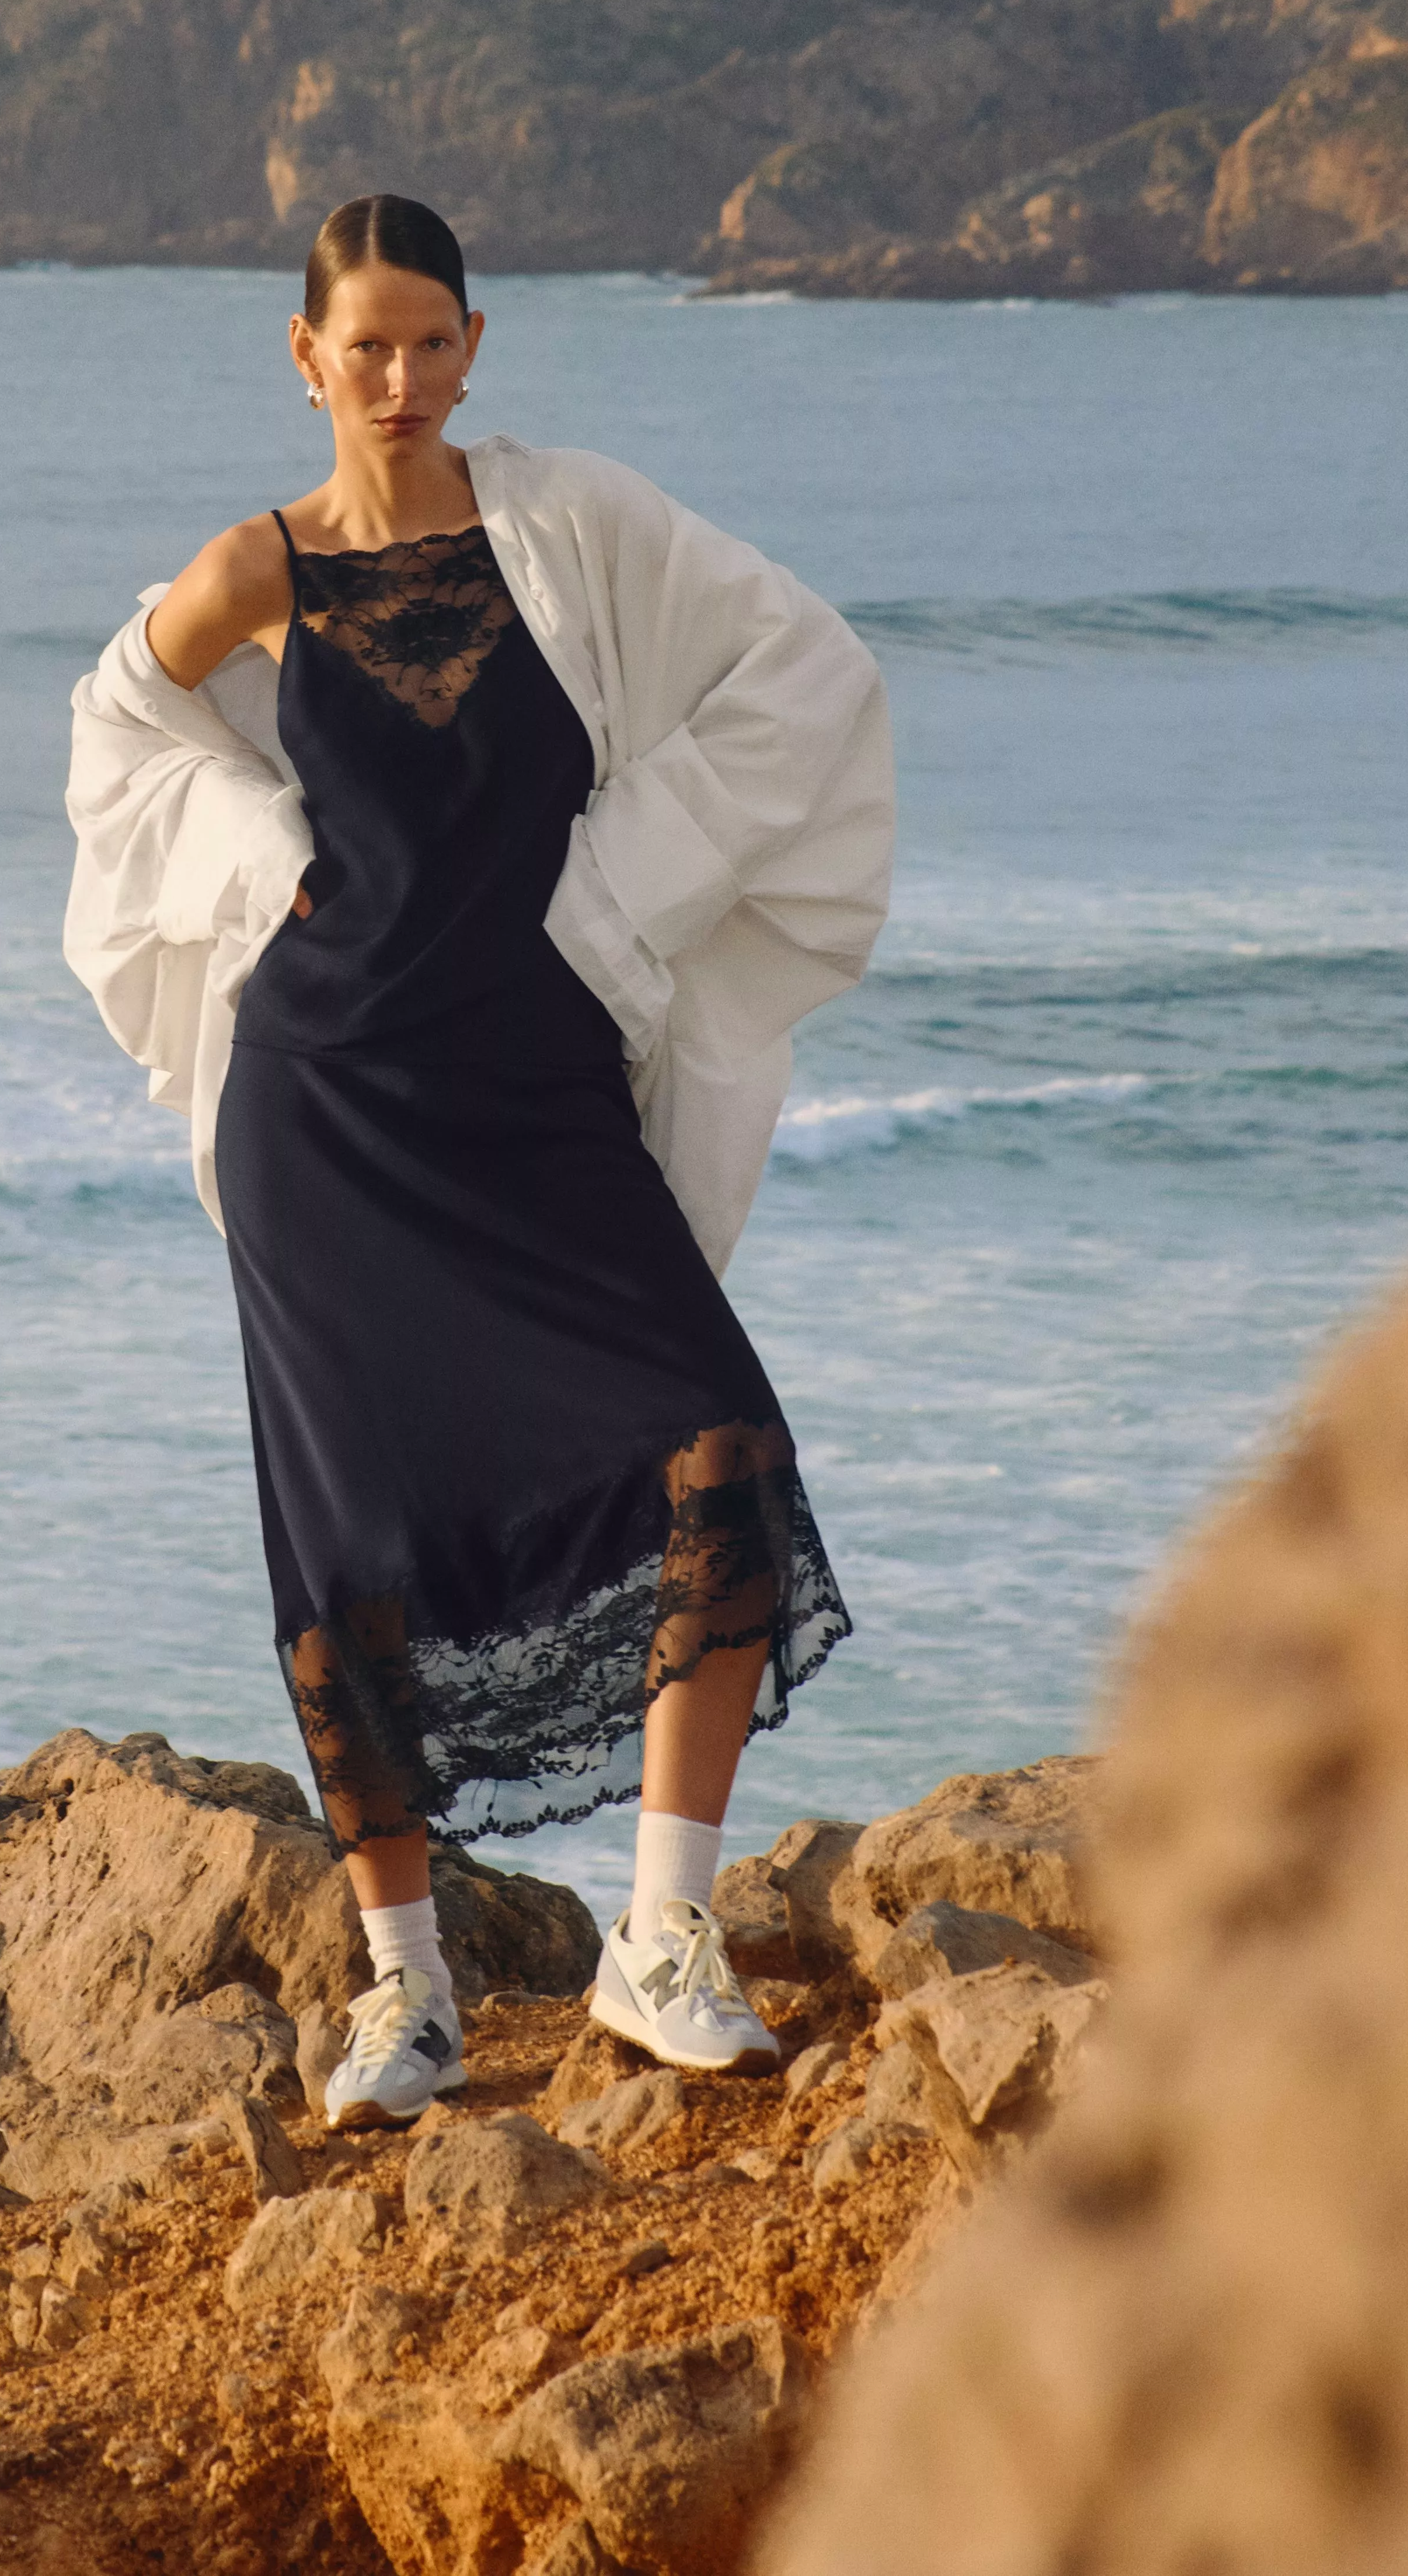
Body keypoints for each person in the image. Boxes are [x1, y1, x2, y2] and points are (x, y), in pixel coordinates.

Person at [65, 195, 893, 2131]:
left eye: (436, 341)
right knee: (355, 1543)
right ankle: (405, 1993)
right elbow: (116, 722)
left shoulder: (573, 526)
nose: (405, 377)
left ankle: (659, 1940)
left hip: (533, 1088)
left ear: (476, 342)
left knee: (713, 1448)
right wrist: (262, 854)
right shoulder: (253, 568)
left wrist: (623, 884)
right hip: (327, 1108)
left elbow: (807, 672)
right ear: (305, 355)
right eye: (368, 344)